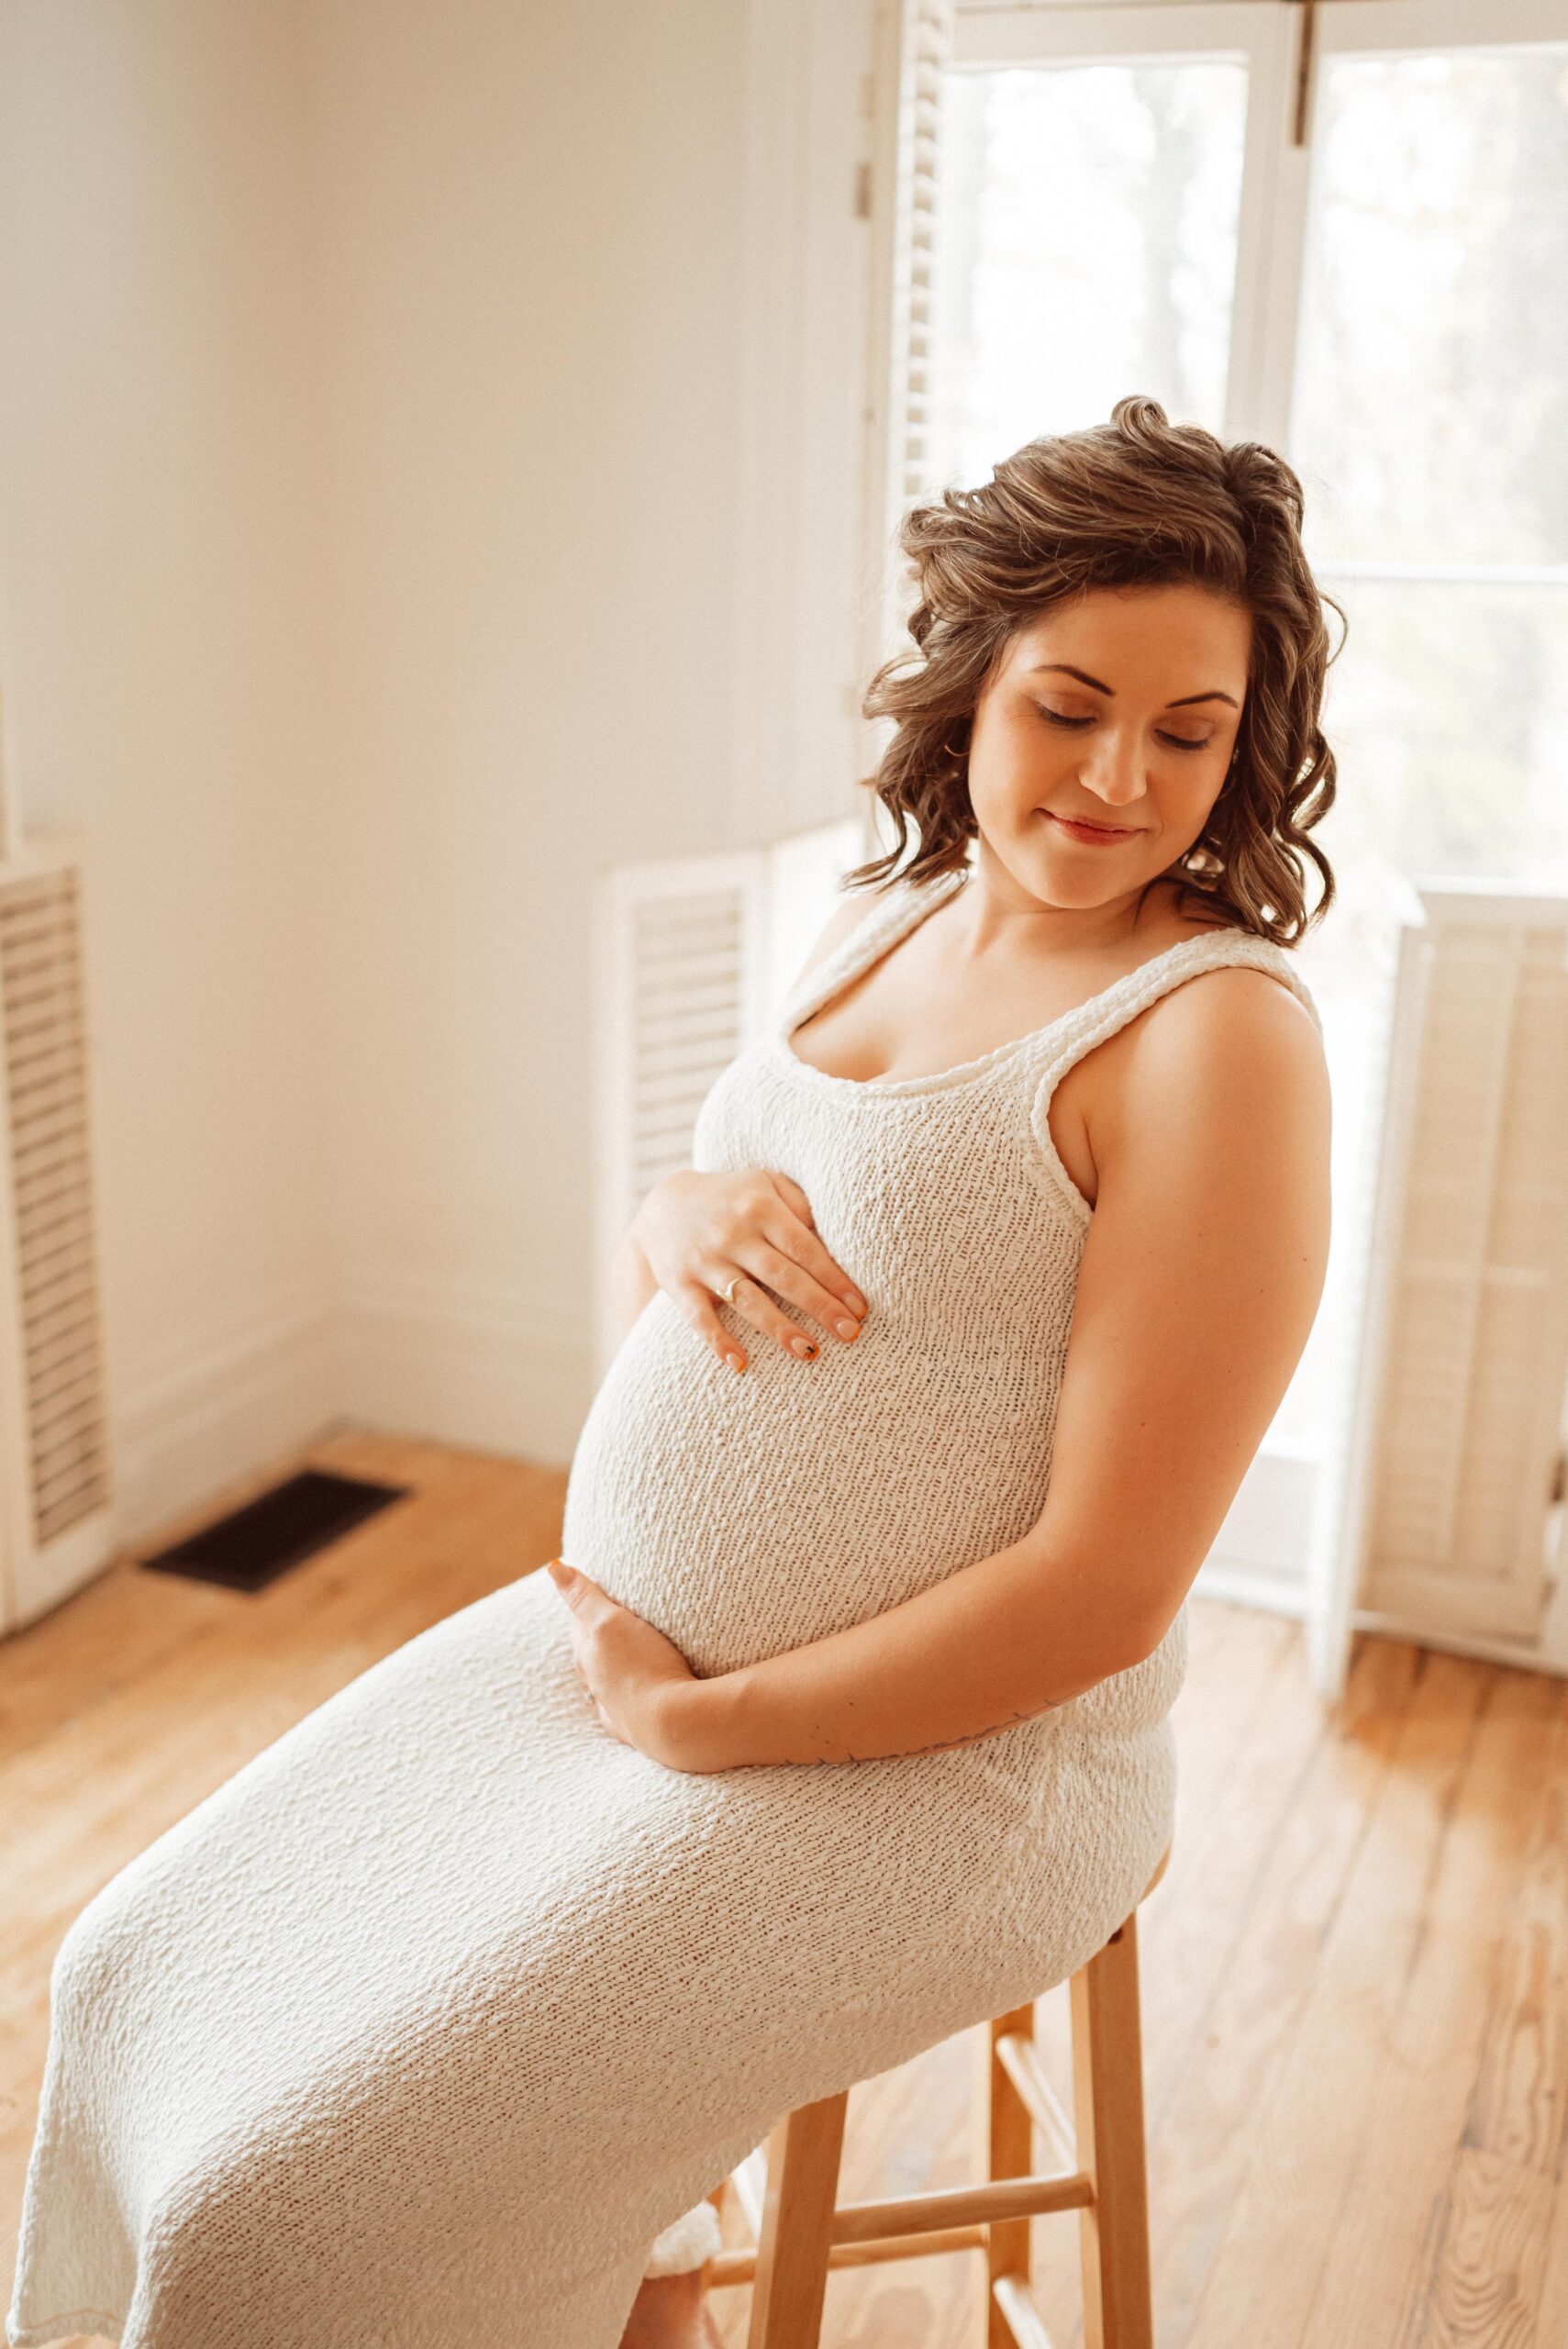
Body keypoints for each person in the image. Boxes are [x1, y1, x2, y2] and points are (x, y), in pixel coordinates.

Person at [6, 396, 1335, 2349]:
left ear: (1247, 748)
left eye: (1190, 733)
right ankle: (638, 2270)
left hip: (945, 1771)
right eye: (1069, 703)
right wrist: (674, 1203)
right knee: (134, 1968)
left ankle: (612, 2251)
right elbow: (759, 1208)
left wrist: (723, 1726)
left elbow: (1107, 1591)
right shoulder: (878, 912)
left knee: (287, 2188)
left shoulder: (1214, 1040)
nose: (1120, 776)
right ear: (970, 682)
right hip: (630, 1663)